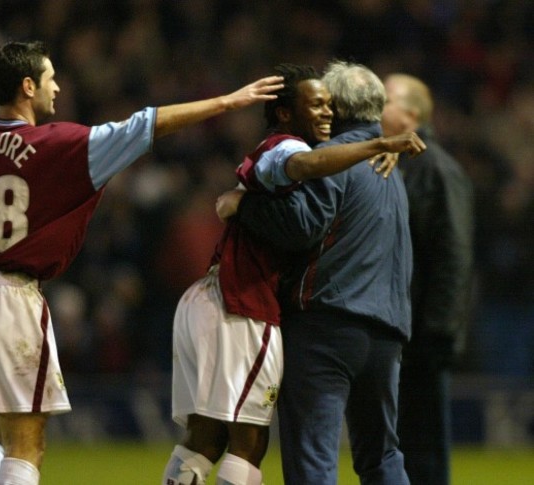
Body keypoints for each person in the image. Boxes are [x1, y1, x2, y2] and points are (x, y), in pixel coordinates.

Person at [0, 40, 285, 485]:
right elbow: (147, 125)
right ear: (28, 86)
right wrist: (227, 101)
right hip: (9, 297)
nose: (57, 87)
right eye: (50, 78)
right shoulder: (59, 142)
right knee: (28, 443)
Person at [162, 63, 426, 485]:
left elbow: (301, 224)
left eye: (327, 104)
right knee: (382, 457)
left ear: (338, 109)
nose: (323, 113)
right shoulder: (388, 172)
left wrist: (241, 204)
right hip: (385, 329)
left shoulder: (332, 160)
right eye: (315, 103)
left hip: (316, 323)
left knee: (283, 452)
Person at [382, 73, 474, 485]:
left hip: (422, 333)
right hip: (399, 327)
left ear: (412, 114)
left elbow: (455, 255)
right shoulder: (397, 162)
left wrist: (438, 331)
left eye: (385, 99)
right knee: (398, 446)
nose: (375, 107)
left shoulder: (436, 169)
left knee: (423, 450)